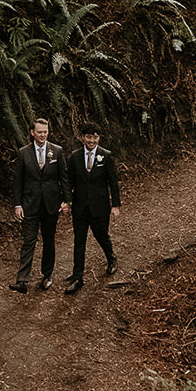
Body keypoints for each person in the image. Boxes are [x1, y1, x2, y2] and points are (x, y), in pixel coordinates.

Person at [10, 117, 70, 293]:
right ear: (32, 133)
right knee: (28, 241)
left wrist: (67, 201)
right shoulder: (23, 153)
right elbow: (17, 181)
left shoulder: (57, 151)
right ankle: (22, 280)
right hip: (30, 205)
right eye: (40, 132)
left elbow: (64, 178)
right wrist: (17, 205)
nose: (43, 135)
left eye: (45, 132)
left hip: (51, 205)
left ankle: (47, 276)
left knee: (49, 241)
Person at [63, 123, 120, 294]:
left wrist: (115, 205)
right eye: (88, 137)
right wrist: (66, 201)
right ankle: (77, 277)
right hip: (80, 207)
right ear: (82, 138)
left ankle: (111, 260)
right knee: (79, 242)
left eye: (95, 137)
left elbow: (113, 183)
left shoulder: (106, 156)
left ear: (99, 138)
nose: (92, 140)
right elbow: (69, 182)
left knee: (101, 236)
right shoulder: (74, 157)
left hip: (100, 207)